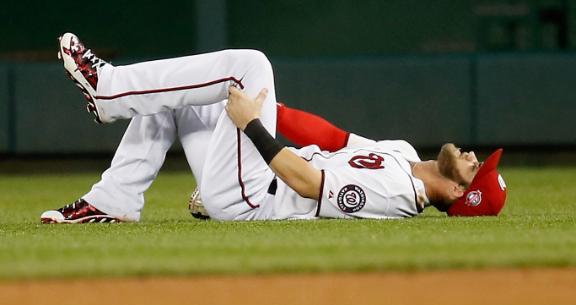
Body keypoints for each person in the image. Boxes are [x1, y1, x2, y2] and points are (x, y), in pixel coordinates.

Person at [41, 33, 507, 223]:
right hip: (248, 179)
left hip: (253, 197)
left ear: (460, 195)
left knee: (251, 63)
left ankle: (111, 90)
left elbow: (306, 181)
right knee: (184, 93)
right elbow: (331, 139)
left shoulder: (399, 196)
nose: (473, 158)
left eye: (475, 171)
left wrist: (253, 125)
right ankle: (112, 201)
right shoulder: (403, 153)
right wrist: (265, 108)